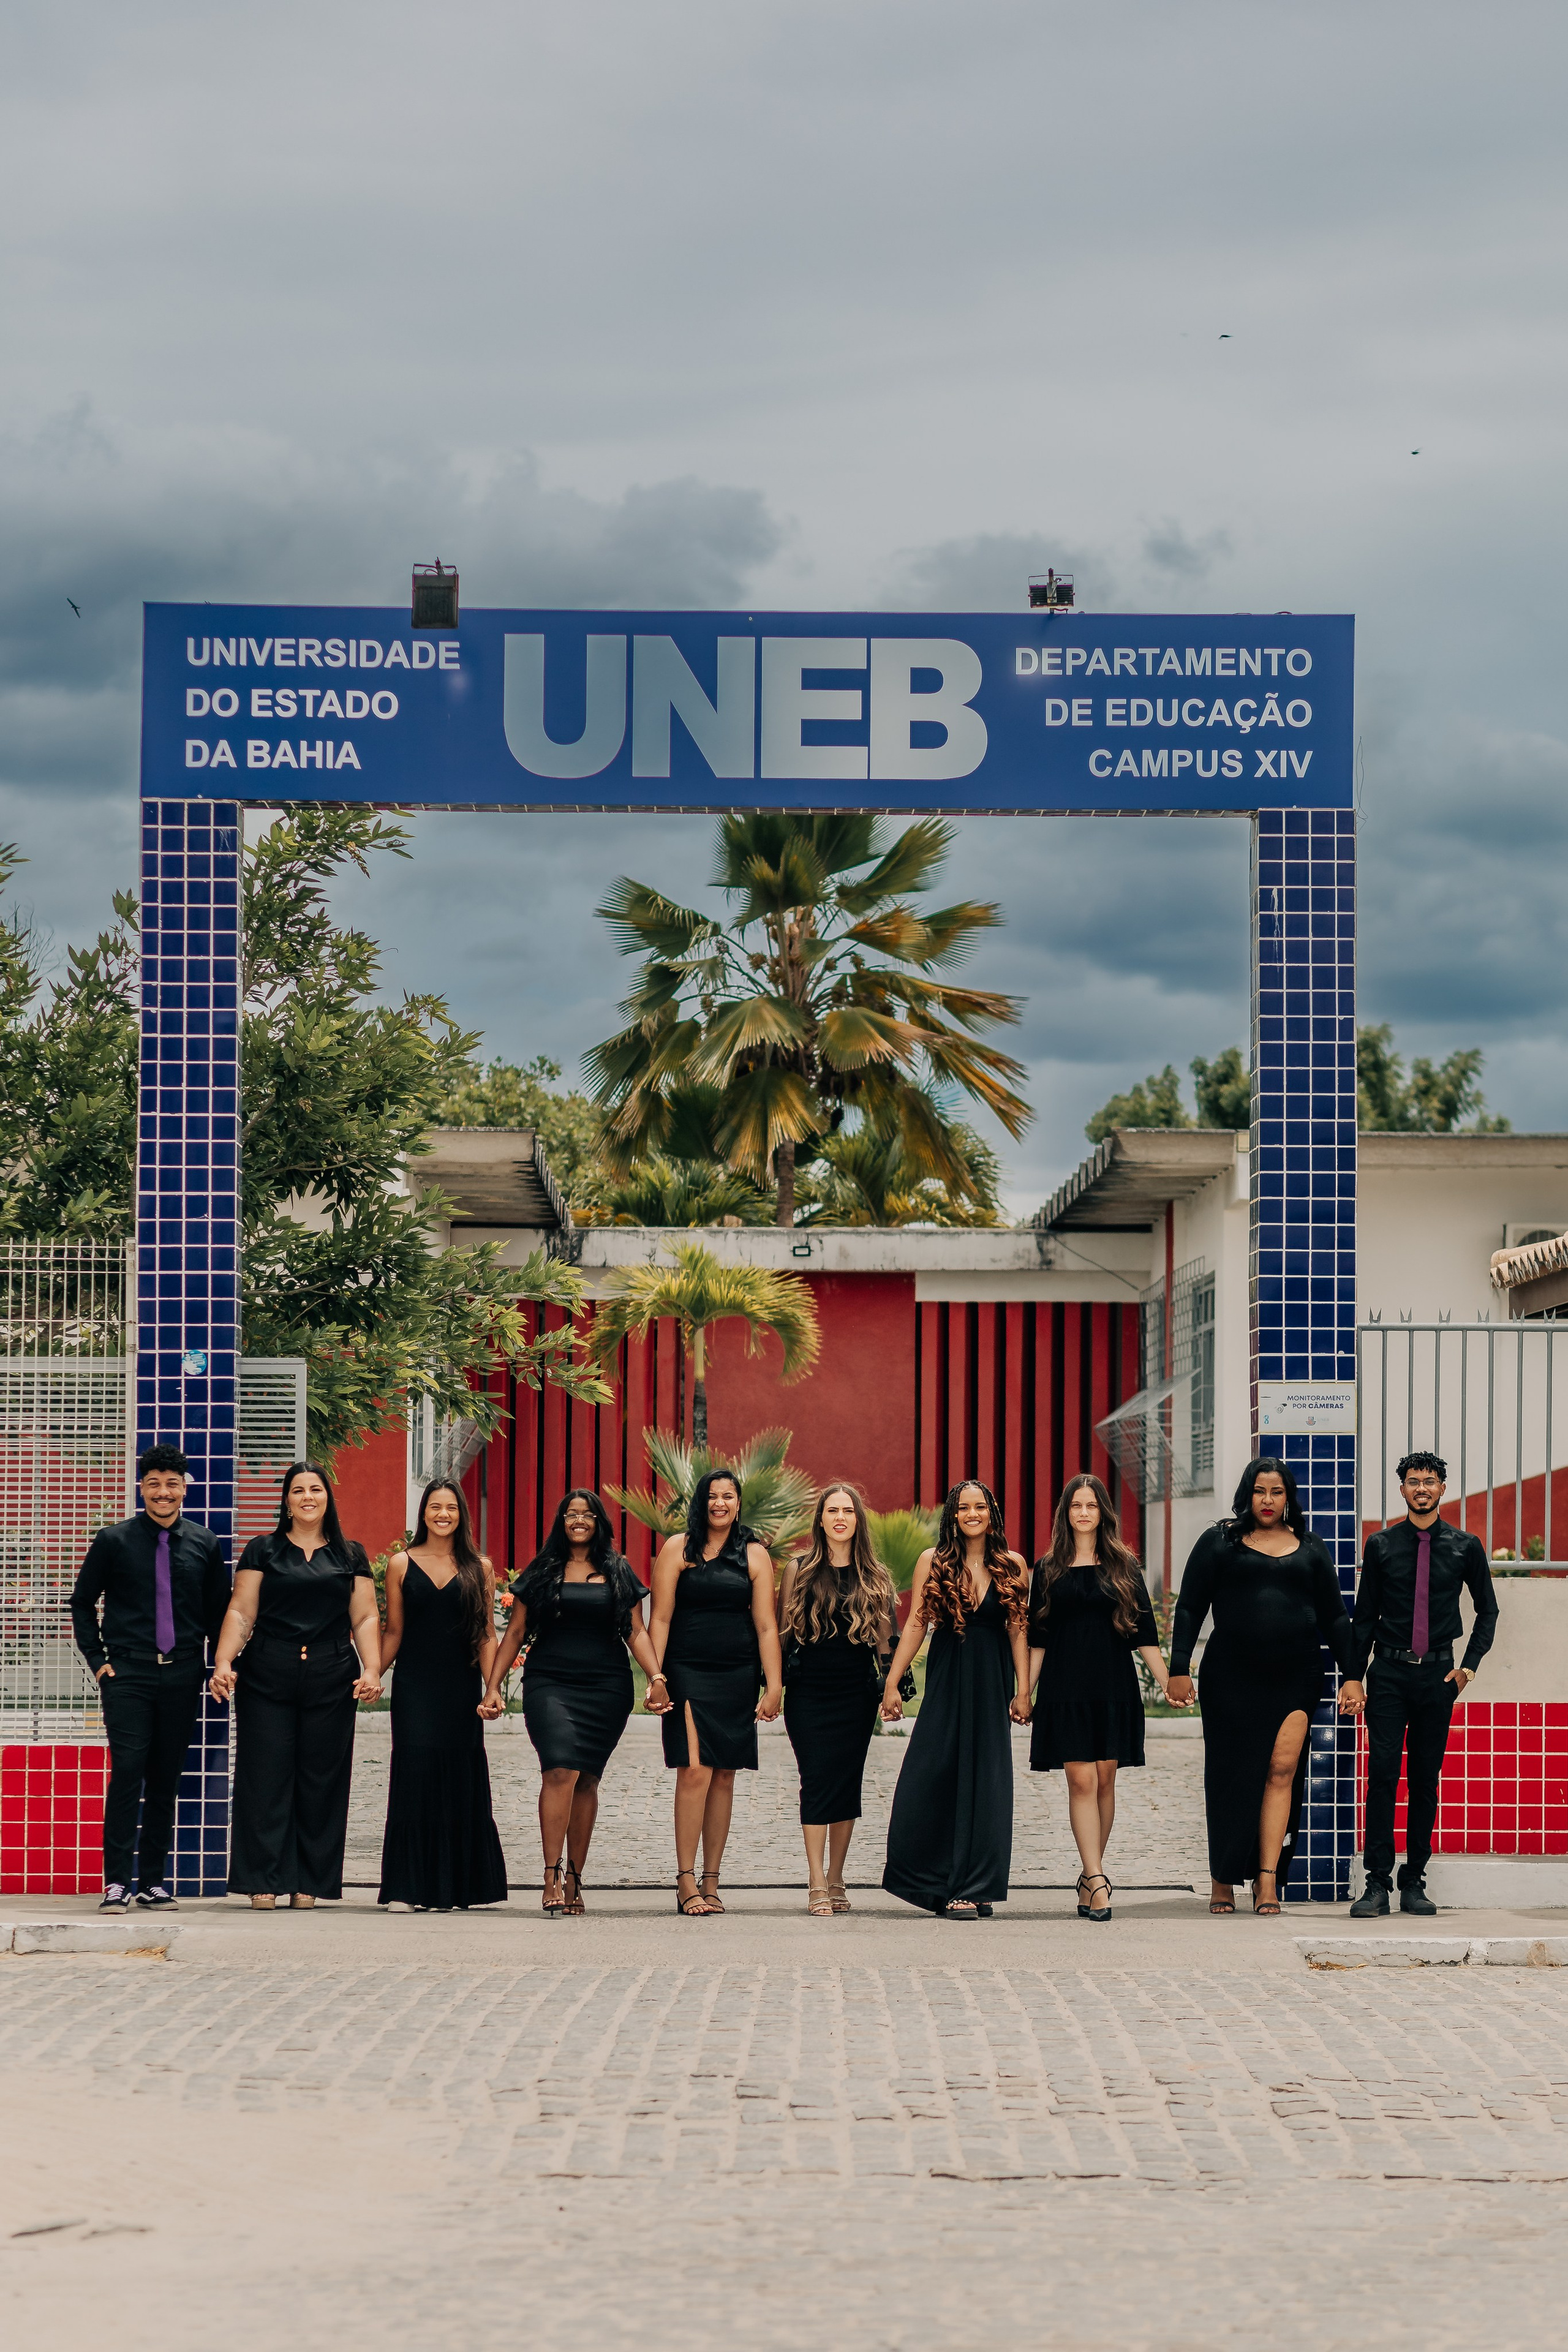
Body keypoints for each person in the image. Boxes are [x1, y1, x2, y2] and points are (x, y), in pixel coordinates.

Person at [1167, 1456, 1362, 1916]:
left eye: (1277, 1492)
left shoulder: (1311, 1547)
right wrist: (1179, 1667)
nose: (1268, 1500)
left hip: (1296, 1675)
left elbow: (1335, 1616)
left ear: (1288, 1497)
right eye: (1260, 1491)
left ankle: (1267, 1879)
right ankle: (1223, 1877)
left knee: (1282, 1771)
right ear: (1247, 1495)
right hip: (1230, 1676)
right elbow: (1191, 1606)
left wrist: (1352, 1674)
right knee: (1232, 1775)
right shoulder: (1219, 1542)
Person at [482, 1487, 668, 1915]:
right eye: (571, 1513)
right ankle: (550, 1874)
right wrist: (493, 1686)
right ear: (561, 1522)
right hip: (550, 1681)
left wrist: (656, 1677)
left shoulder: (617, 1570)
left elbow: (635, 1631)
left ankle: (575, 1880)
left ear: (600, 1522)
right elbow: (515, 1633)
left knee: (587, 1780)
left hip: (607, 1687)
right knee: (560, 1768)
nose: (579, 1520)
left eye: (587, 1514)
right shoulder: (544, 1570)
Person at [69, 1442, 232, 1912]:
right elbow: (82, 1602)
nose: (164, 1492)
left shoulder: (204, 1543)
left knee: (165, 1778)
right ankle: (117, 1882)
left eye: (173, 1484)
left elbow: (219, 1613)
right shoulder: (113, 1541)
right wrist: (99, 1660)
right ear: (142, 1487)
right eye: (155, 1483)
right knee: (128, 1773)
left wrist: (220, 1662)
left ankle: (153, 1881)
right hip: (128, 1675)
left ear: (185, 1489)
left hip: (182, 1675)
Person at [210, 1460, 380, 1909]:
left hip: (331, 1672)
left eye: (316, 1490)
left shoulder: (350, 1555)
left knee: (321, 1779)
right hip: (268, 1671)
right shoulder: (262, 1550)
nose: (308, 1497)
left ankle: (311, 1881)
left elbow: (364, 1617)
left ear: (328, 1498)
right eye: (299, 1490)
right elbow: (241, 1611)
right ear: (286, 1500)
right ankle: (262, 1879)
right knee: (263, 1777)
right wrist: (224, 1659)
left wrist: (373, 1669)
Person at [1348, 1450, 1499, 1918]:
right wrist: (1354, 1677)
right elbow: (1363, 1618)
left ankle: (1414, 1881)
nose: (1421, 1488)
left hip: (1438, 1675)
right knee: (1383, 1775)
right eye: (1413, 1481)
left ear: (1442, 1488)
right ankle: (1377, 1884)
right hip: (1389, 1674)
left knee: (1424, 1780)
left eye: (1429, 1481)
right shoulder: (1381, 1545)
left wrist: (1468, 1668)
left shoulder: (1464, 1546)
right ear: (1402, 1489)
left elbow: (1488, 1611)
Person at [1027, 1473, 1179, 1923]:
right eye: (1076, 1505)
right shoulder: (1049, 1567)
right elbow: (1038, 1637)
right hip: (1064, 1686)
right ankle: (1096, 1878)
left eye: (1092, 1505)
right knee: (1082, 1781)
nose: (1084, 1512)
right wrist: (1023, 1692)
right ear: (1066, 1513)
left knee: (1106, 1781)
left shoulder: (1124, 1566)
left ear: (1103, 1512)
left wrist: (1169, 1680)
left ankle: (1089, 1874)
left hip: (1113, 1684)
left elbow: (1144, 1633)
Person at [880, 1479, 1032, 1920]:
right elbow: (915, 1624)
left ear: (992, 1513)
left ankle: (975, 1886)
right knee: (931, 1773)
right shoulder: (934, 1561)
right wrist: (894, 1681)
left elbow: (1018, 1629)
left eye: (979, 1507)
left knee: (988, 1781)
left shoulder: (1013, 1565)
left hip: (993, 1682)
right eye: (963, 1507)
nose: (972, 1514)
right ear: (952, 1515)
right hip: (947, 1681)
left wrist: (1023, 1690)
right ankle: (937, 1880)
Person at [649, 1468, 783, 1917]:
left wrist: (774, 1684)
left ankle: (711, 1880)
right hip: (687, 1672)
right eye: (713, 1495)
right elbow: (661, 1619)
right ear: (701, 1502)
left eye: (729, 1496)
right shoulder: (677, 1549)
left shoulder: (756, 1555)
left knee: (725, 1775)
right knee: (694, 1771)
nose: (720, 1503)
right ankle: (685, 1879)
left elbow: (766, 1626)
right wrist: (656, 1676)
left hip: (738, 1674)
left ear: (739, 1503)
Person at [378, 1479, 508, 1912]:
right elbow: (393, 1631)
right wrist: (372, 1674)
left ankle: (457, 1888)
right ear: (424, 1513)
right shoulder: (400, 1563)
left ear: (462, 1514)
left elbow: (486, 1634)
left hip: (462, 1687)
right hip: (415, 1685)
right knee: (415, 1773)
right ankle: (406, 1888)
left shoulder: (481, 1568)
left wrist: (493, 1690)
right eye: (435, 1506)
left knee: (459, 1775)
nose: (443, 1514)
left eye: (451, 1507)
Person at [779, 1482, 897, 1917]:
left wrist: (891, 1689)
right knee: (816, 1780)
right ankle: (815, 1881)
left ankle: (837, 1876)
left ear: (858, 1520)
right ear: (822, 1519)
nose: (841, 1517)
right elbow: (782, 1635)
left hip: (856, 1695)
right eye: (833, 1510)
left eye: (848, 1510)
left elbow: (887, 1642)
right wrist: (772, 1685)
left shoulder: (876, 1577)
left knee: (847, 1783)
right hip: (808, 1691)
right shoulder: (799, 1569)